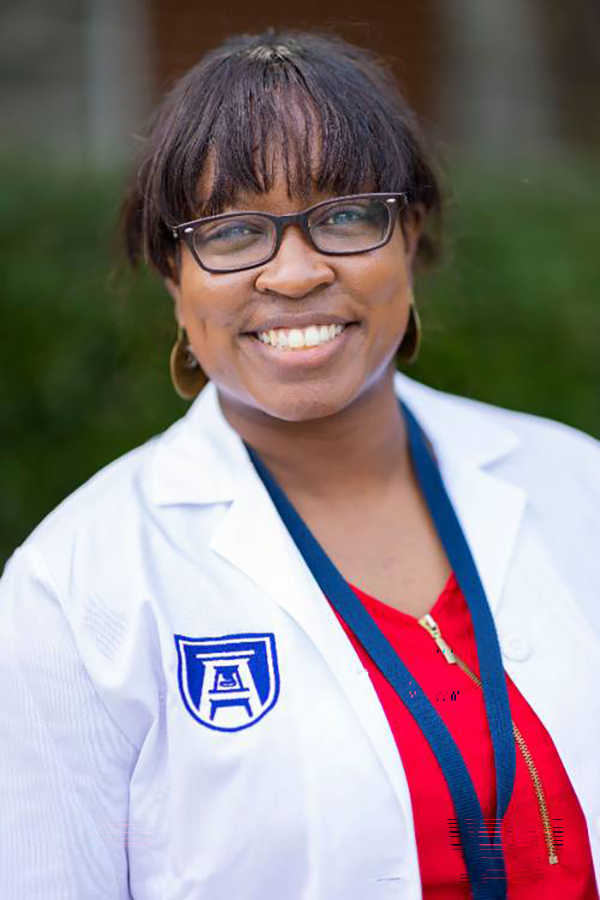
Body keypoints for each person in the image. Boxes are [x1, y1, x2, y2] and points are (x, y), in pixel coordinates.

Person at [0, 28, 599, 900]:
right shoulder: (74, 588)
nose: (292, 272)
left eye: (346, 214)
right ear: (174, 276)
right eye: (234, 230)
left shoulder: (576, 484)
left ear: (411, 235)